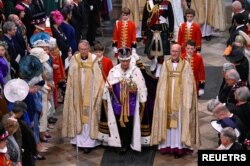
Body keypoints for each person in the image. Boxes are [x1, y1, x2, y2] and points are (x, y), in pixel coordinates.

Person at [150, 44, 200, 158]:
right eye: (172, 51)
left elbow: (189, 84)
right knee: (166, 121)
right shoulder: (165, 64)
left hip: (180, 101)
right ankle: (166, 146)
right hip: (167, 98)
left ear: (180, 52)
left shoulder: (185, 65)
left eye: (176, 51)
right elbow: (161, 83)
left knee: (179, 123)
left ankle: (179, 147)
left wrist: (186, 98)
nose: (174, 53)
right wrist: (162, 97)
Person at [99, 48, 147, 153]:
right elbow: (107, 87)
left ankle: (131, 142)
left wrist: (137, 93)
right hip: (118, 104)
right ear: (120, 60)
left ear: (130, 60)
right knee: (119, 125)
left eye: (127, 61)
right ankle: (122, 144)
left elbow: (141, 87)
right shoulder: (114, 71)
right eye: (123, 61)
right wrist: (110, 89)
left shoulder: (136, 71)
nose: (125, 63)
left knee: (130, 124)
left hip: (131, 105)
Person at [62, 40, 105, 153]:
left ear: (89, 49)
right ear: (79, 49)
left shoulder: (94, 59)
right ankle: (78, 140)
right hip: (77, 94)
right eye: (81, 49)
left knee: (89, 117)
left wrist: (99, 91)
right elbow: (70, 77)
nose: (84, 51)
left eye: (85, 49)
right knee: (78, 114)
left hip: (90, 94)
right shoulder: (75, 60)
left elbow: (98, 77)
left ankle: (90, 141)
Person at [141, 0, 174, 73]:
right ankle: (153, 60)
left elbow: (171, 18)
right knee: (149, 52)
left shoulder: (167, 3)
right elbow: (144, 17)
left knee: (162, 51)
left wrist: (171, 32)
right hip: (151, 29)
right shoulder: (149, 3)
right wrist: (143, 31)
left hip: (163, 29)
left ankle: (159, 65)